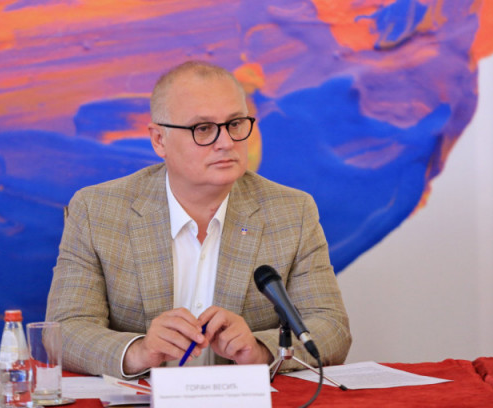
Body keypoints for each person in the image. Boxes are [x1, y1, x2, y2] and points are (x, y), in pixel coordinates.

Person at [46, 61, 351, 379]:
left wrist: (260, 350)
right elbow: (65, 329)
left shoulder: (292, 212)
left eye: (235, 124)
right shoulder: (97, 211)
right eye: (203, 128)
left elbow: (331, 328)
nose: (226, 142)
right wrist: (138, 351)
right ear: (159, 140)